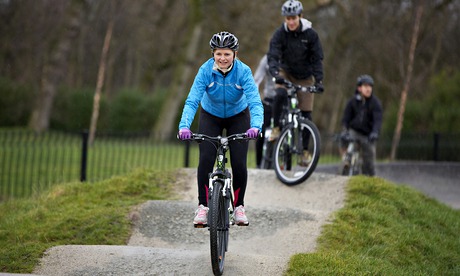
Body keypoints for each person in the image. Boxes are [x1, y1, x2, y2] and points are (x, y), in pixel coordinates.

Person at [178, 31, 264, 227]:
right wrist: (184, 126)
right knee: (206, 158)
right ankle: (202, 206)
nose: (222, 58)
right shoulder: (205, 71)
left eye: (227, 54)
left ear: (235, 54)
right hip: (211, 116)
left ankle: (239, 206)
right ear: (213, 54)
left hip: (238, 116)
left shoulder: (243, 71)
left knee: (239, 161)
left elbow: (255, 102)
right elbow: (192, 101)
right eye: (218, 54)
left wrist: (256, 125)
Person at [267, 0, 324, 166]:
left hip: (305, 76)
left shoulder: (311, 35)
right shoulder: (280, 34)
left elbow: (317, 60)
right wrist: (276, 73)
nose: (291, 22)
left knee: (306, 114)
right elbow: (273, 55)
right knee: (280, 94)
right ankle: (277, 128)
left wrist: (319, 81)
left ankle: (305, 152)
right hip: (286, 72)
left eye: (293, 18)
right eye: (287, 18)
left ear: (300, 16)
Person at [340, 74, 383, 176]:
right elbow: (346, 118)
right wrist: (345, 130)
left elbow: (378, 120)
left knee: (369, 159)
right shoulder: (352, 102)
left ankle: (370, 177)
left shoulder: (375, 103)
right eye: (365, 86)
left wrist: (375, 132)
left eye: (370, 86)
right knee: (344, 140)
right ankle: (345, 160)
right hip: (354, 131)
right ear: (359, 88)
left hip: (367, 134)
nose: (368, 89)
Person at [253, 55, 276, 168]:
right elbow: (256, 80)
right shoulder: (266, 59)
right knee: (260, 132)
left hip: (285, 99)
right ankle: (258, 164)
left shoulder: (290, 57)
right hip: (269, 99)